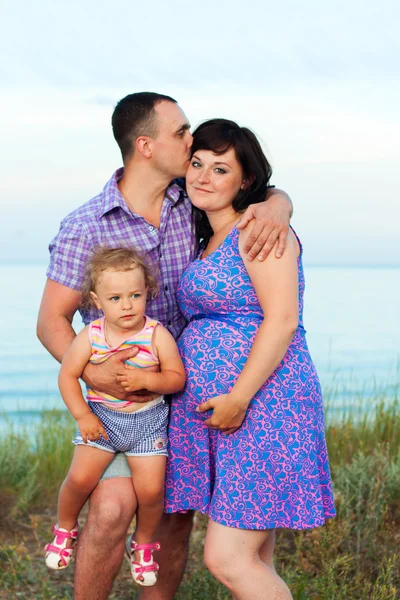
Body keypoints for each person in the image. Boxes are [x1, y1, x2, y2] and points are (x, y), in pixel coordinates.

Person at [37, 92, 293, 599]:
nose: (191, 141)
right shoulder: (86, 225)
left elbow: (247, 185)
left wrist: (279, 204)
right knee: (110, 511)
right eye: (181, 133)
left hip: (181, 399)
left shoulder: (190, 203)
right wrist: (94, 375)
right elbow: (51, 322)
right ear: (146, 146)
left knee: (173, 522)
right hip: (121, 401)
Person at [164, 119, 336, 599]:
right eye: (196, 164)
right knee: (257, 557)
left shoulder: (258, 229)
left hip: (265, 404)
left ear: (245, 181)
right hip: (231, 413)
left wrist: (238, 397)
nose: (202, 176)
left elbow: (281, 320)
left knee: (227, 556)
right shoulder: (208, 238)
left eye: (220, 169)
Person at [44, 247, 185, 586]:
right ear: (96, 300)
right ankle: (65, 527)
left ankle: (144, 544)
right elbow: (67, 375)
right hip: (102, 420)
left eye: (135, 295)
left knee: (151, 493)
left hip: (147, 424)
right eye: (116, 297)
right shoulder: (91, 335)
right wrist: (82, 416)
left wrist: (150, 380)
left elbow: (176, 377)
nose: (127, 305)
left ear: (147, 293)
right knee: (79, 480)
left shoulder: (156, 334)